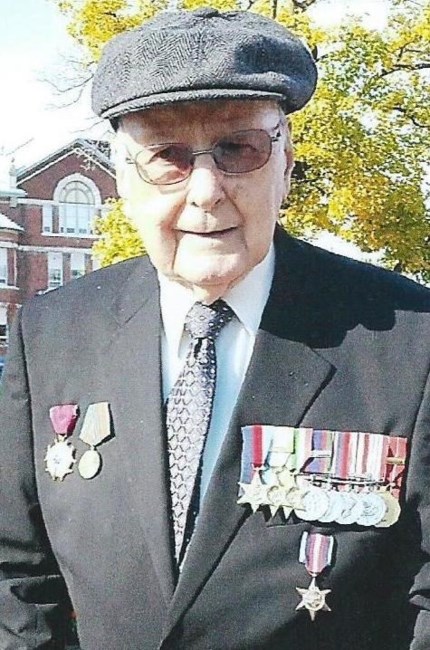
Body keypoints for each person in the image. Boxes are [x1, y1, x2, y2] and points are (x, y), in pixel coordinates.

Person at [1, 7, 430, 650]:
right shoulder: (52, 333)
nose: (206, 190)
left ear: (285, 162)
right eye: (167, 157)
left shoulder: (409, 341)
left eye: (239, 149)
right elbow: (15, 572)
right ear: (123, 176)